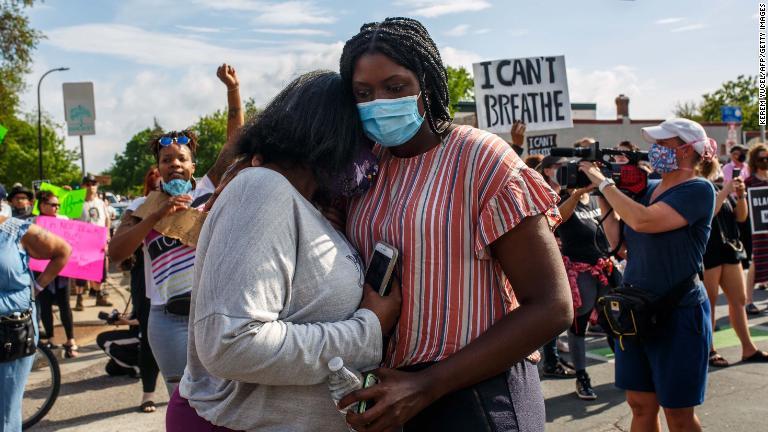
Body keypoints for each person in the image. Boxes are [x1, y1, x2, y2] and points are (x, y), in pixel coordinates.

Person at [338, 17, 572, 431]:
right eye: (363, 93)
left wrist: (427, 385)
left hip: (479, 393)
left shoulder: (480, 157)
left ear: (427, 85)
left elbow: (552, 306)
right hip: (394, 396)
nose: (378, 103)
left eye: (395, 88)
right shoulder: (366, 167)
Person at [168, 70, 401, 432]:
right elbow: (233, 343)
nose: (370, 152)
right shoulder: (262, 189)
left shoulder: (300, 202)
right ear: (331, 132)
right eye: (362, 137)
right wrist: (368, 330)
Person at [109, 63, 242, 397]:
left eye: (181, 158)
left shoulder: (207, 190)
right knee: (181, 402)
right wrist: (157, 216)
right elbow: (116, 254)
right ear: (159, 168)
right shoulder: (139, 209)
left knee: (225, 398)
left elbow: (236, 144)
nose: (175, 164)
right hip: (167, 320)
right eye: (167, 159)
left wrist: (232, 90)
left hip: (215, 313)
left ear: (192, 165)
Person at [579, 118, 716, 432]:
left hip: (678, 312)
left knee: (678, 415)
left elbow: (645, 222)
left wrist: (604, 183)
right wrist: (602, 193)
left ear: (684, 150)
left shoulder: (698, 189)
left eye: (662, 144)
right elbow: (615, 240)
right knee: (640, 406)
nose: (654, 150)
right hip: (635, 311)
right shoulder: (647, 188)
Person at [1, 215, 71, 430]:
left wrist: (37, 288)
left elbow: (62, 251)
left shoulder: (15, 230)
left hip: (10, 332)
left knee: (5, 410)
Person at [697, 158, 768, 367]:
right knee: (708, 303)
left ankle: (748, 349)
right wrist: (727, 189)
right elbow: (710, 213)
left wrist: (741, 194)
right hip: (709, 252)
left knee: (739, 300)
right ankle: (709, 350)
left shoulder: (719, 189)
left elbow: (741, 217)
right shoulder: (700, 189)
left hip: (729, 250)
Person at [556, 182, 619, 400]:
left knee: (613, 322)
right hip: (579, 271)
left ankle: (627, 369)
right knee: (579, 324)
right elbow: (558, 218)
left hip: (603, 269)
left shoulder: (595, 198)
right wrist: (575, 195)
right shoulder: (562, 200)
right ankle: (581, 376)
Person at [34, 190, 79, 358]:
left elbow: (76, 243)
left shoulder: (64, 221)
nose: (57, 208)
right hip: (42, 271)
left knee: (65, 305)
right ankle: (51, 339)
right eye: (53, 205)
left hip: (62, 272)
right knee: (45, 305)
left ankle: (71, 339)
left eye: (58, 205)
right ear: (42, 206)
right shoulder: (34, 223)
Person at [75, 174, 113, 309]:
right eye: (88, 184)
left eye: (93, 184)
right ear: (83, 186)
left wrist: (107, 236)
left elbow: (107, 220)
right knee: (81, 272)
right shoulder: (76, 203)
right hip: (82, 242)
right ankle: (79, 299)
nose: (91, 187)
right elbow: (67, 221)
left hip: (98, 242)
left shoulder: (101, 203)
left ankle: (99, 296)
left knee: (100, 271)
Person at [745, 143, 768, 315]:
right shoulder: (748, 182)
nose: (765, 161)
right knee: (756, 262)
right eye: (762, 158)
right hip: (757, 230)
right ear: (755, 161)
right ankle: (749, 301)